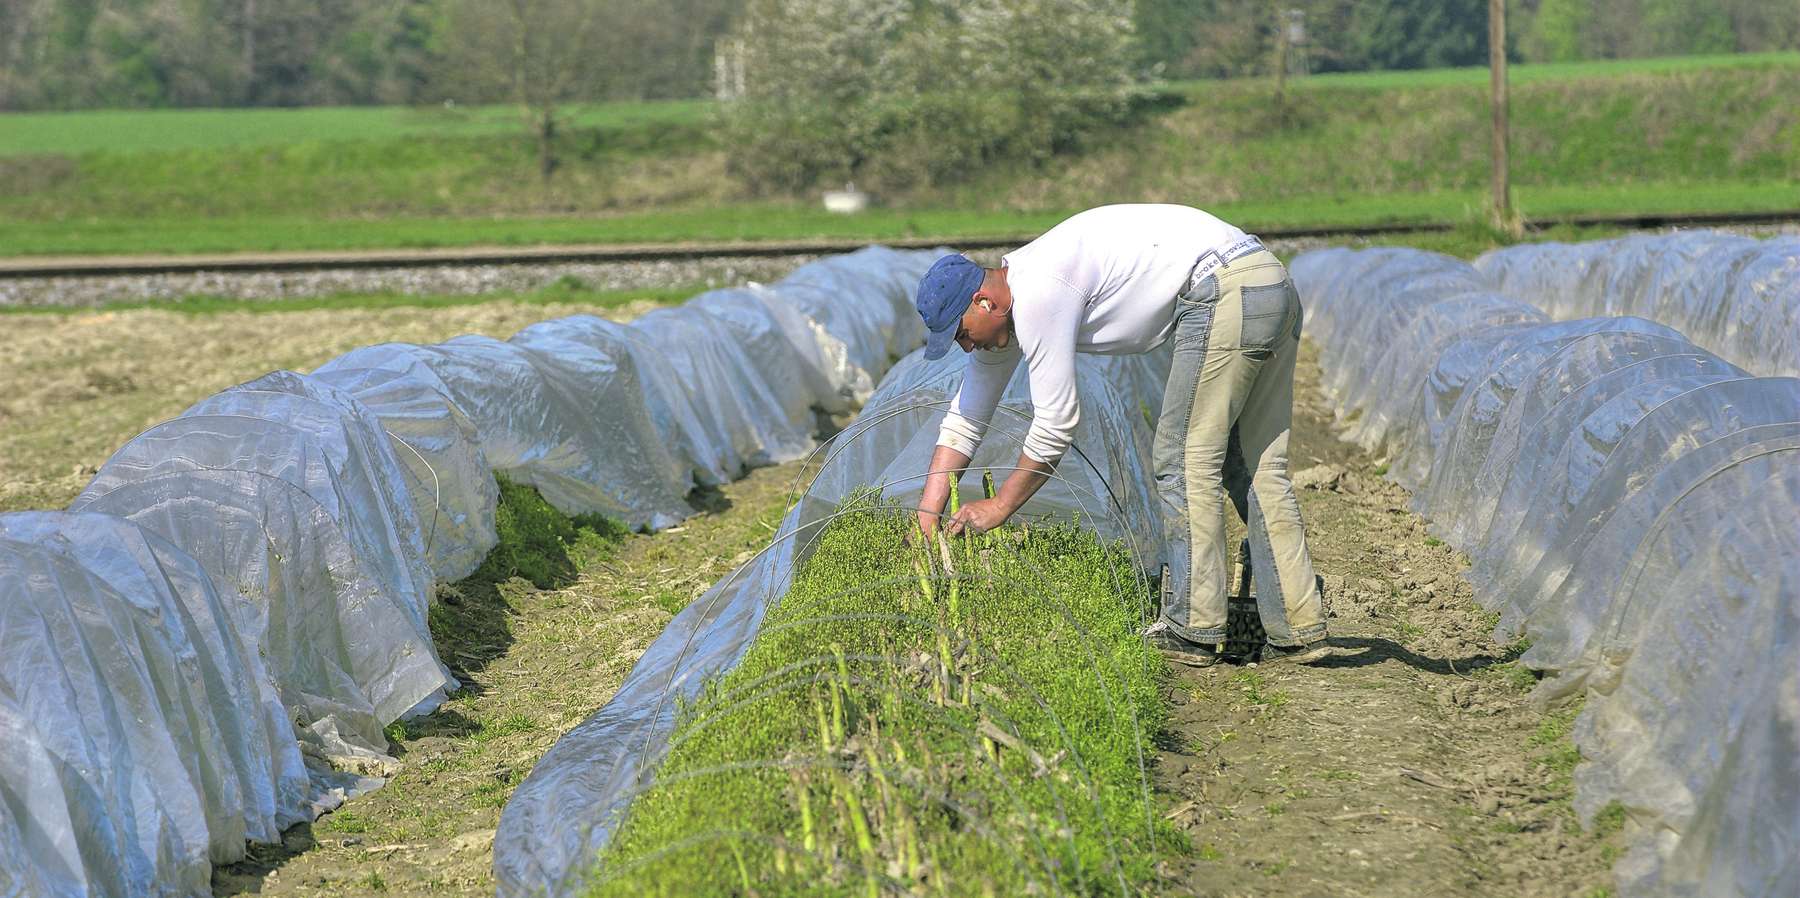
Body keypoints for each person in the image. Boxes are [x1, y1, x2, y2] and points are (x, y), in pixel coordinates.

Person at [912, 204, 1328, 666]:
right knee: (1252, 464)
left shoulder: (1039, 293)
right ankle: (1299, 627)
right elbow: (967, 418)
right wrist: (928, 512)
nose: (967, 346)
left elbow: (1055, 423)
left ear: (984, 303)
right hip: (1267, 281)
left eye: (963, 334)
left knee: (1183, 459)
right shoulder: (1014, 301)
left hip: (1224, 288)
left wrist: (1000, 505)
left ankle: (1192, 628)